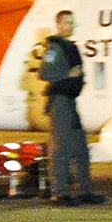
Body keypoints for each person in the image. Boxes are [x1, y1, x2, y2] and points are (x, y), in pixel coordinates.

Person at [30, 11, 100, 204]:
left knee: (80, 147)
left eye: (72, 23)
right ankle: (59, 194)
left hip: (70, 100)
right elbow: (45, 73)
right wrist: (68, 74)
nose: (69, 26)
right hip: (60, 101)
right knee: (61, 149)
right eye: (66, 22)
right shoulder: (54, 48)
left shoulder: (70, 47)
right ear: (59, 24)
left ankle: (84, 191)